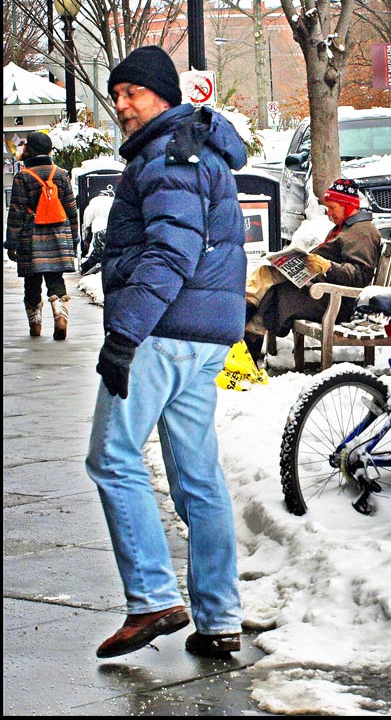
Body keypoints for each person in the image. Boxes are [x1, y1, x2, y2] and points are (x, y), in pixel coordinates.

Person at [85, 45, 248, 659]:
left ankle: (152, 596)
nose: (121, 105)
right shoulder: (196, 149)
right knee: (196, 476)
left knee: (112, 457)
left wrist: (125, 335)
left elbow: (171, 254)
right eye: (117, 93)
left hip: (162, 332)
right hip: (204, 334)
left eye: (133, 93)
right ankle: (219, 617)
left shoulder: (168, 154)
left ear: (164, 95)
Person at [243, 177, 382, 362]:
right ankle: (238, 339)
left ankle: (239, 343)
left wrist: (328, 267)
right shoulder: (348, 228)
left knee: (273, 295)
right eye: (328, 208)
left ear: (347, 205)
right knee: (265, 275)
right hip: (323, 291)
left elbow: (359, 276)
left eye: (333, 207)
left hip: (337, 302)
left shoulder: (362, 232)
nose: (329, 213)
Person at [4, 132, 79, 339]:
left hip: (31, 237)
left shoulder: (23, 177)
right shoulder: (61, 174)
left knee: (32, 282)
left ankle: (35, 324)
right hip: (59, 235)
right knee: (56, 278)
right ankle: (60, 316)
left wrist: (12, 242)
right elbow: (71, 209)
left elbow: (17, 211)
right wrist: (73, 237)